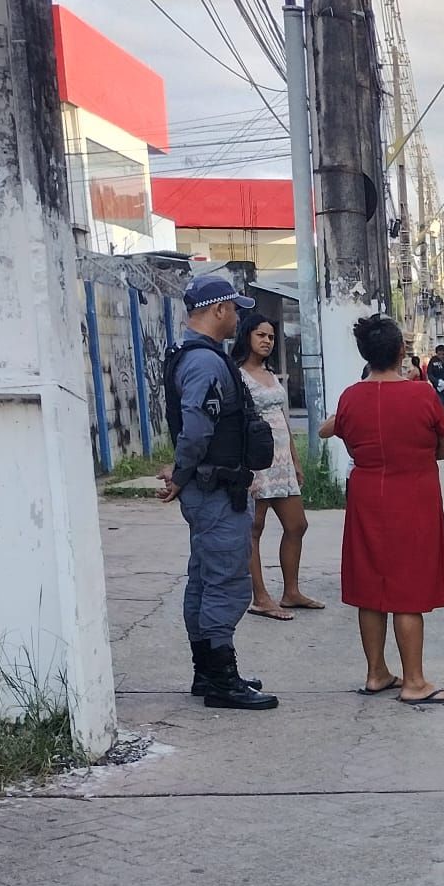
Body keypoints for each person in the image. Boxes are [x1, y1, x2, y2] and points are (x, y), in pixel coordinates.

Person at [323, 315, 444, 704]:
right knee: (408, 589)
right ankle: (415, 682)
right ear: (402, 351)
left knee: (370, 585)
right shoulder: (421, 395)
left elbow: (348, 442)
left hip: (367, 494)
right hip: (414, 493)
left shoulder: (350, 396)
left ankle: (376, 673)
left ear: (366, 353)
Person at [161, 275, 277, 710]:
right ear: (218, 310)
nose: (239, 317)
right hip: (216, 489)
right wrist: (180, 472)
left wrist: (183, 473)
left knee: (205, 580)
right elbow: (195, 428)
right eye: (235, 309)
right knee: (227, 583)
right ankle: (222, 680)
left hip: (209, 486)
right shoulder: (206, 363)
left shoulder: (194, 355)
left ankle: (208, 673)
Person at [232, 313, 322, 621]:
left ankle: (291, 591)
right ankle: (260, 597)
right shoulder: (237, 375)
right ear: (247, 336)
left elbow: (282, 419)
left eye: (270, 336)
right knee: (253, 529)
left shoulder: (271, 374)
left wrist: (296, 461)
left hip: (281, 459)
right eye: (261, 335)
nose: (267, 341)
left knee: (297, 525)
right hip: (255, 460)